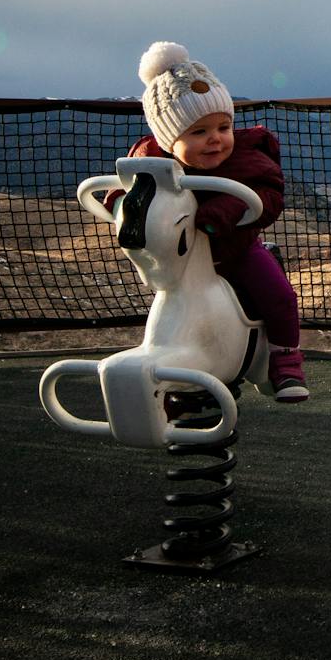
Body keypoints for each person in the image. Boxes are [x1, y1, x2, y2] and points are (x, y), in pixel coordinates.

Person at [115, 41, 309, 402]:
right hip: (185, 263)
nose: (216, 140)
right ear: (169, 141)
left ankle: (285, 359)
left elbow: (269, 198)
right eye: (199, 132)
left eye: (223, 126)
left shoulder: (248, 159)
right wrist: (120, 204)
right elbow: (134, 191)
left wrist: (224, 210)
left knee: (279, 296)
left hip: (236, 250)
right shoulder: (153, 164)